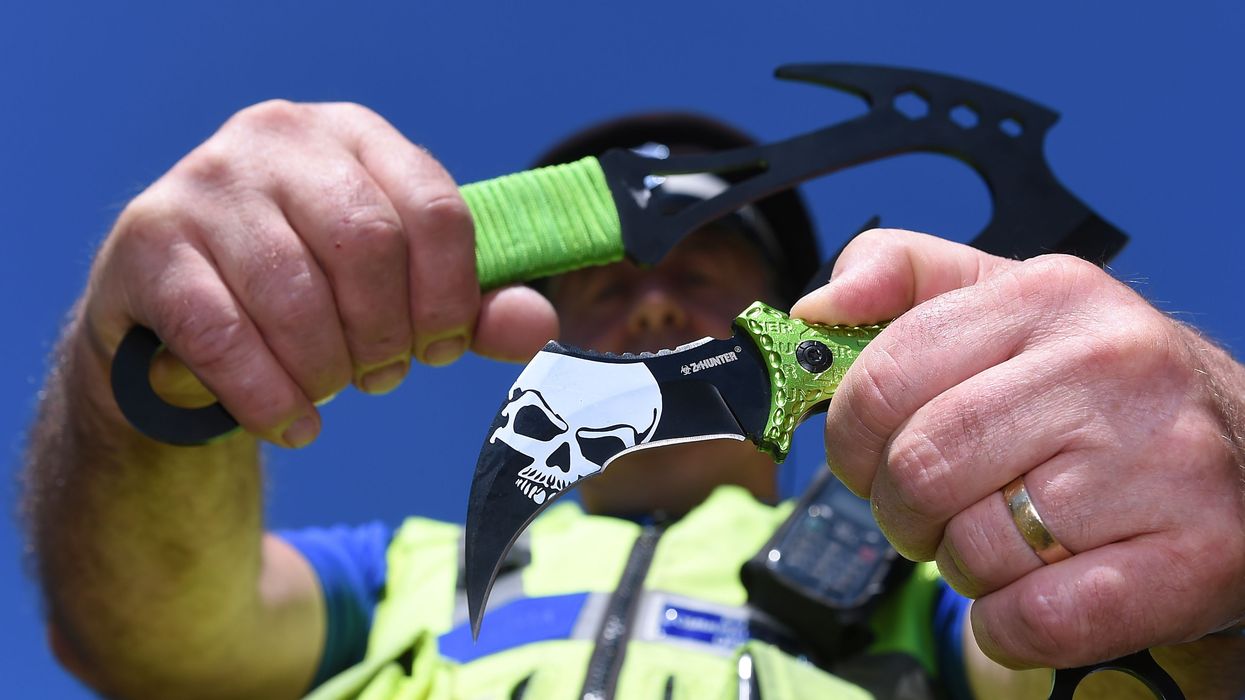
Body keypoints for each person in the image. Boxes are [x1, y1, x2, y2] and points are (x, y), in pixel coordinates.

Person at [19, 100, 1245, 700]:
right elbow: (144, 634)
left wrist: (1211, 527)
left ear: (811, 317)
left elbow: (1147, 667)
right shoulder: (407, 571)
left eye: (700, 268)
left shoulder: (960, 567)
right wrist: (162, 371)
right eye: (603, 286)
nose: (652, 307)